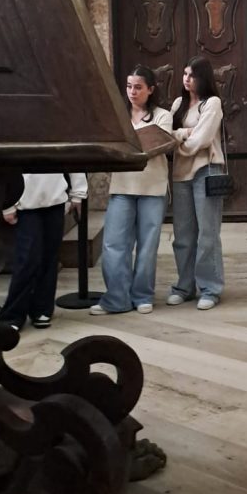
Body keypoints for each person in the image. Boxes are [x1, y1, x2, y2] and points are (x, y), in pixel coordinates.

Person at [91, 65, 173, 317]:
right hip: (122, 187)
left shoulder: (163, 115)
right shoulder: (118, 116)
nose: (132, 92)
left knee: (147, 247)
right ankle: (116, 299)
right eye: (128, 86)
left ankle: (143, 295)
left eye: (138, 87)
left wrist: (127, 144)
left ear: (151, 89)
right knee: (114, 244)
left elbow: (153, 146)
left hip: (153, 188)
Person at [168, 56, 225, 310]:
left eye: (192, 75)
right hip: (181, 174)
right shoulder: (178, 104)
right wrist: (183, 133)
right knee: (182, 235)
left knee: (207, 234)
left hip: (206, 170)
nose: (187, 79)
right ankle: (184, 286)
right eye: (185, 74)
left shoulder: (212, 102)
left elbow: (201, 140)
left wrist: (180, 142)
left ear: (203, 78)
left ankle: (210, 289)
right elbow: (166, 135)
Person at [0, 173, 87, 331]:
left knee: (49, 257)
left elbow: (72, 160)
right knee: (27, 259)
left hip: (55, 199)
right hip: (24, 202)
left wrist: (78, 193)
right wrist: (7, 204)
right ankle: (12, 315)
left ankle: (42, 309)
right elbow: (6, 167)